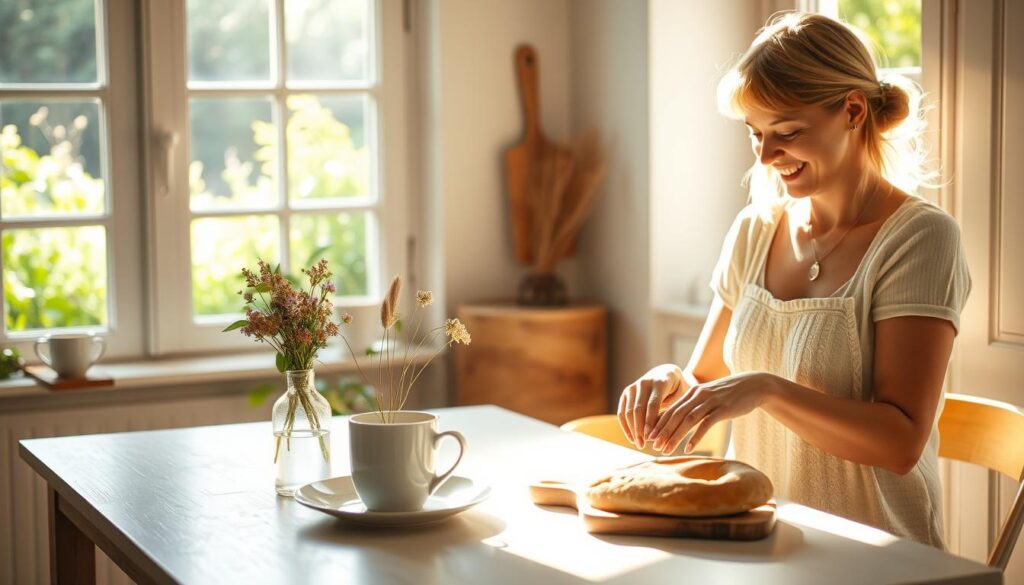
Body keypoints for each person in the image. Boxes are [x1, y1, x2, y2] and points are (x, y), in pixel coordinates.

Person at [616, 11, 971, 550]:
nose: (765, 155)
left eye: (787, 132)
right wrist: (671, 382)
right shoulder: (755, 229)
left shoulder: (920, 239)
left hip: (882, 557)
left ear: (853, 110)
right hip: (761, 542)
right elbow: (707, 383)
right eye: (755, 134)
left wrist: (767, 389)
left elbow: (900, 441)